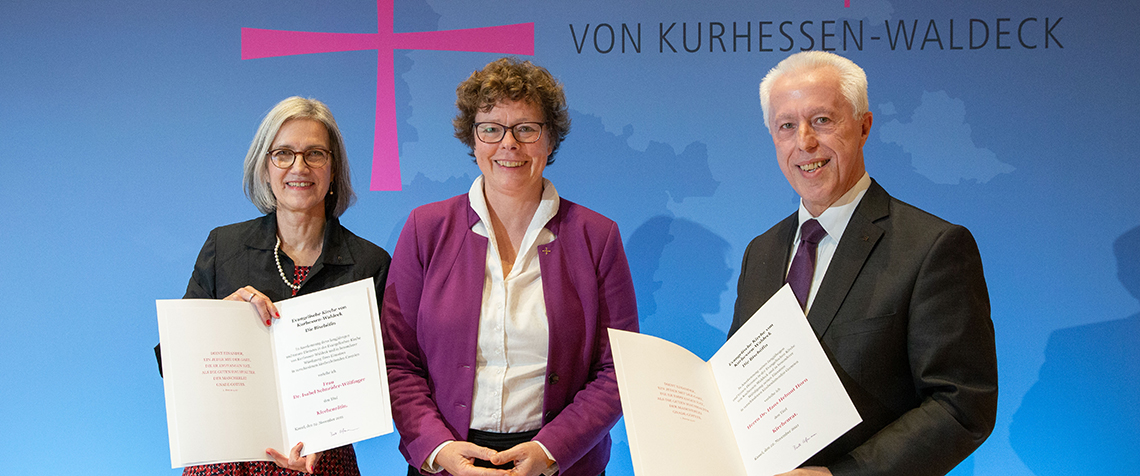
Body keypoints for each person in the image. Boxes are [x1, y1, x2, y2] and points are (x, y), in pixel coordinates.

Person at [729, 51, 998, 476]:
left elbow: (962, 403)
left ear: (864, 127)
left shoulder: (933, 247)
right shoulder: (760, 253)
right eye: (786, 126)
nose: (805, 142)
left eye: (821, 120)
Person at [382, 57, 638, 476]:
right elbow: (398, 361)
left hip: (560, 464)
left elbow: (617, 369)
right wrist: (438, 447)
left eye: (526, 128)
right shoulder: (425, 229)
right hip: (450, 463)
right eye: (491, 129)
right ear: (473, 139)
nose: (509, 144)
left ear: (550, 139)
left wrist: (553, 450)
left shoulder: (597, 237)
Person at [168, 96, 391, 475]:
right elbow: (173, 363)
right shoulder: (224, 247)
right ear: (265, 167)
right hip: (227, 460)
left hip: (322, 463)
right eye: (283, 153)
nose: (298, 167)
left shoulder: (371, 264)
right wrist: (219, 321)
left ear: (333, 169)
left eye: (315, 154)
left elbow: (386, 377)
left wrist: (331, 425)